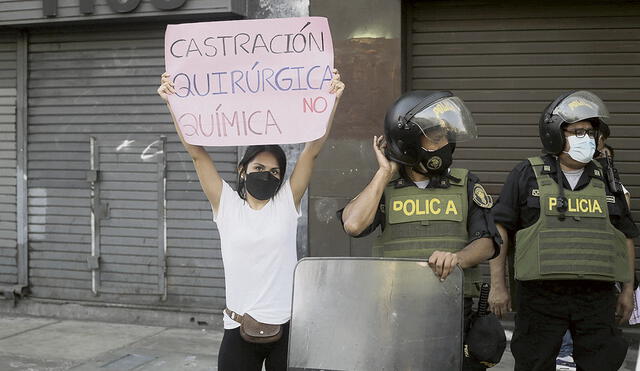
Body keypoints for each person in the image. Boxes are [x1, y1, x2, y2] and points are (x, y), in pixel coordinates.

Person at [157, 70, 345, 371]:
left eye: (275, 172)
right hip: (238, 327)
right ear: (243, 170)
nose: (267, 175)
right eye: (259, 167)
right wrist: (173, 102)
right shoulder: (226, 204)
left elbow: (311, 152)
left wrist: (331, 100)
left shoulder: (285, 203)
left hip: (286, 328)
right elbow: (196, 154)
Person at [339, 90, 501, 370]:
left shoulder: (465, 183)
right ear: (410, 142)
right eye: (435, 137)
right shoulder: (384, 189)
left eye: (446, 137)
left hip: (454, 311)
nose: (445, 144)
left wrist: (457, 259)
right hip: (397, 314)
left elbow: (486, 242)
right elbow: (353, 224)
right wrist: (383, 173)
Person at [488, 90, 639, 371]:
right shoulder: (526, 173)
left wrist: (628, 290)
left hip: (596, 297)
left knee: (601, 364)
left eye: (591, 132)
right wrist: (498, 286)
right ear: (555, 134)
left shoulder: (607, 178)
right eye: (578, 131)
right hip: (540, 296)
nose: (587, 138)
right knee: (534, 363)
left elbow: (625, 235)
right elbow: (500, 229)